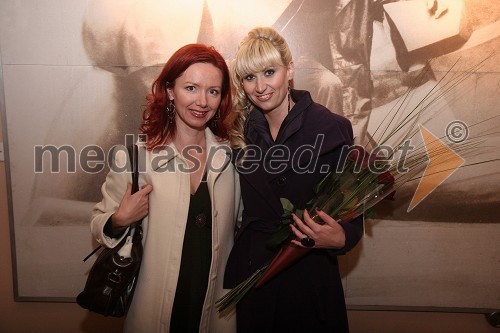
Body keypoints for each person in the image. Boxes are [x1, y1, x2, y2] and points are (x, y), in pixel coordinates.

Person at [90, 44, 239, 333]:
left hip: (215, 313)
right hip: (154, 310)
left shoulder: (233, 158)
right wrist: (119, 219)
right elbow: (98, 222)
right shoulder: (136, 158)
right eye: (191, 88)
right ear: (171, 91)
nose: (202, 101)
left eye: (213, 91)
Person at [223, 27, 364, 333]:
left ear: (289, 70)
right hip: (256, 279)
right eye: (250, 77)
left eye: (269, 72)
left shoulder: (330, 127)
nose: (260, 86)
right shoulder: (238, 135)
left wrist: (340, 238)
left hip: (311, 278)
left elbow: (353, 217)